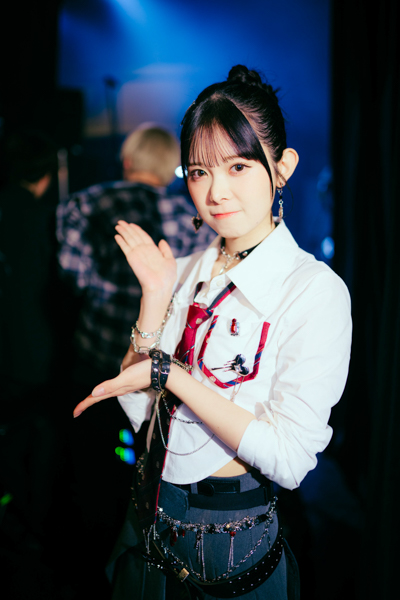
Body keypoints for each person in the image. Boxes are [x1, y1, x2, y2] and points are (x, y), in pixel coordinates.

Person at [73, 65, 352, 600]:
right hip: (147, 520)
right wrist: (155, 297)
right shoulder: (181, 271)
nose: (216, 192)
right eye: (199, 172)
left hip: (231, 541)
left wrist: (170, 375)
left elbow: (291, 460)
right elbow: (141, 414)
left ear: (283, 167)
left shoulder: (313, 290)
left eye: (238, 166)